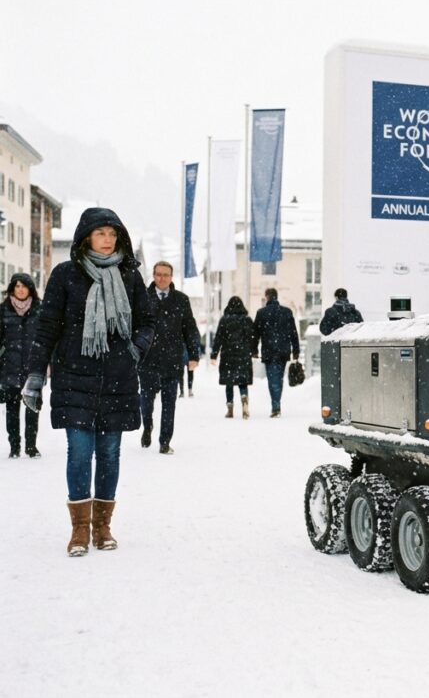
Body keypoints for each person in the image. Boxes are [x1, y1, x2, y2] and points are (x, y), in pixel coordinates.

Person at [22, 207, 154, 557]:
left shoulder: (129, 276)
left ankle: (103, 526)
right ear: (86, 238)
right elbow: (47, 325)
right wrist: (36, 375)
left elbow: (147, 321)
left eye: (113, 234)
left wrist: (135, 351)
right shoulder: (66, 275)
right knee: (80, 453)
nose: (108, 240)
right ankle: (79, 529)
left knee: (109, 454)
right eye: (101, 234)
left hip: (118, 378)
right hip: (73, 376)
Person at [137, 262, 201, 455]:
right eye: (158, 274)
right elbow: (134, 327)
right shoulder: (143, 299)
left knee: (169, 403)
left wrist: (193, 355)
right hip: (147, 359)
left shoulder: (181, 300)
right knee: (146, 401)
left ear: (171, 277)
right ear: (153, 276)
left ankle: (165, 441)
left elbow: (190, 329)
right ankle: (147, 426)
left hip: (172, 360)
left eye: (166, 275)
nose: (162, 278)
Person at [1, 274, 42, 458]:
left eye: (24, 286)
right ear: (12, 288)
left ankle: (31, 446)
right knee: (12, 410)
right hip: (9, 367)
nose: (20, 290)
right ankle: (15, 446)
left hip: (33, 368)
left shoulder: (39, 311)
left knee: (32, 407)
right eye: (17, 286)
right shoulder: (3, 310)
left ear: (30, 289)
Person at [252, 288, 300, 418]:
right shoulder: (287, 312)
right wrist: (296, 350)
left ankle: (275, 406)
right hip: (283, 350)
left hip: (269, 350)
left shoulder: (262, 313)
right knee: (278, 377)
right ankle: (276, 404)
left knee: (273, 378)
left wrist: (254, 350)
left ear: (267, 297)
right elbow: (293, 333)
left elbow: (255, 334)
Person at [210, 296, 256, 420]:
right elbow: (253, 338)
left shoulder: (224, 320)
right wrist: (253, 351)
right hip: (243, 355)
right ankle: (244, 398)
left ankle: (230, 408)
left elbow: (218, 339)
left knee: (229, 382)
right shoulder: (247, 320)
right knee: (242, 381)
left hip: (228, 355)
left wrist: (214, 355)